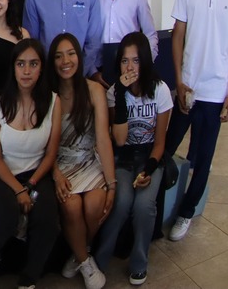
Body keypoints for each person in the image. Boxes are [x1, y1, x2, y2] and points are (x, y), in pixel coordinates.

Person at [0, 39, 61, 289]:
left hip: (37, 173)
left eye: (33, 64)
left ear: (42, 68)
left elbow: (51, 154)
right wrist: (19, 190)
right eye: (21, 64)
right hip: (2, 173)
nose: (26, 71)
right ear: (13, 67)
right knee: (4, 216)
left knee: (47, 221)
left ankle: (30, 276)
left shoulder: (53, 101)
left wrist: (30, 184)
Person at [166, 0, 228, 242]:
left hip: (217, 89)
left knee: (203, 158)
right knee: (167, 147)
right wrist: (178, 81)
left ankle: (186, 212)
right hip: (189, 87)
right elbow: (177, 36)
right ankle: (157, 204)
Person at [95, 32, 173, 285]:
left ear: (145, 61)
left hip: (151, 157)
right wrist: (120, 93)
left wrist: (148, 170)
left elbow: (160, 143)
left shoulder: (160, 90)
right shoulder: (114, 93)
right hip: (123, 158)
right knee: (121, 203)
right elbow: (118, 140)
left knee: (144, 206)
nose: (130, 67)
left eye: (136, 60)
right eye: (125, 61)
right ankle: (99, 260)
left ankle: (139, 263)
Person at [51, 33, 113, 289]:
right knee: (72, 205)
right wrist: (55, 173)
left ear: (79, 56)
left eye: (71, 54)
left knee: (95, 205)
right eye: (58, 56)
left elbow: (103, 138)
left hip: (90, 159)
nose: (65, 61)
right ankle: (86, 262)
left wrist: (112, 183)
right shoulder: (49, 94)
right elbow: (43, 144)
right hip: (60, 162)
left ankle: (79, 252)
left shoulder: (94, 90)